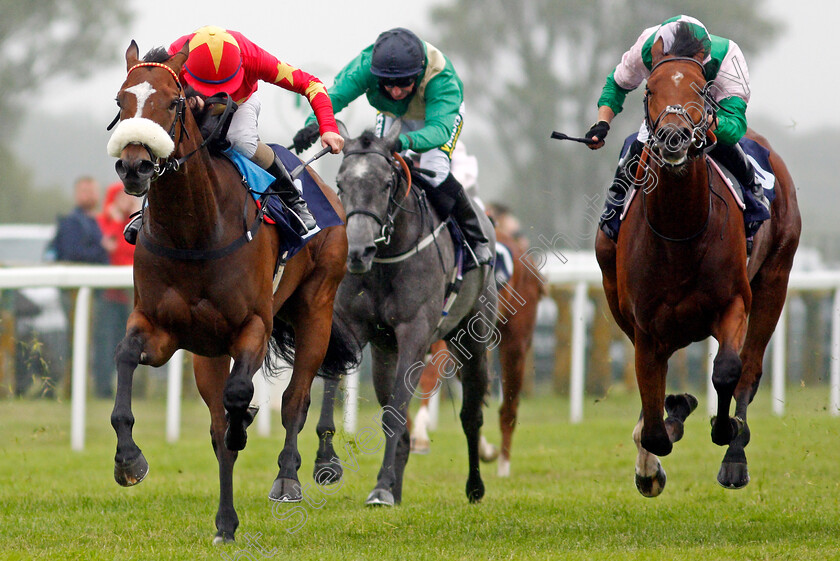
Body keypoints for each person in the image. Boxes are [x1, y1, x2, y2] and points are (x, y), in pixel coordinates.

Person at [292, 27, 492, 267]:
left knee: (435, 168)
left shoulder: (441, 79)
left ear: (418, 75)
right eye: (388, 84)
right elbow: (333, 96)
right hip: (393, 115)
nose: (396, 91)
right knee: (378, 167)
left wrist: (405, 142)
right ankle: (376, 233)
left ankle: (475, 238)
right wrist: (314, 125)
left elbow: (439, 131)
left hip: (436, 118)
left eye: (404, 83)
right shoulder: (365, 66)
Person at [124, 25, 343, 241]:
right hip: (192, 102)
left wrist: (329, 129)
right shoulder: (176, 56)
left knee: (242, 142)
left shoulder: (253, 56)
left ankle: (293, 200)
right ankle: (148, 209)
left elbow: (311, 84)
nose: (214, 92)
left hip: (240, 102)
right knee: (173, 143)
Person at [585, 15, 768, 243]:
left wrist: (707, 121)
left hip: (705, 104)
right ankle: (614, 205)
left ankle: (753, 194)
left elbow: (736, 126)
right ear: (657, 54)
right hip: (665, 102)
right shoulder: (646, 46)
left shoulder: (728, 57)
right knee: (642, 138)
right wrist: (602, 122)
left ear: (702, 59)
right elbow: (617, 84)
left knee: (724, 140)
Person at [95, 182, 141, 397]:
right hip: (109, 295)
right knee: (106, 342)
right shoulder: (102, 222)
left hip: (134, 296)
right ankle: (103, 388)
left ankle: (138, 389)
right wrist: (114, 221)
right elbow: (111, 246)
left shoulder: (138, 222)